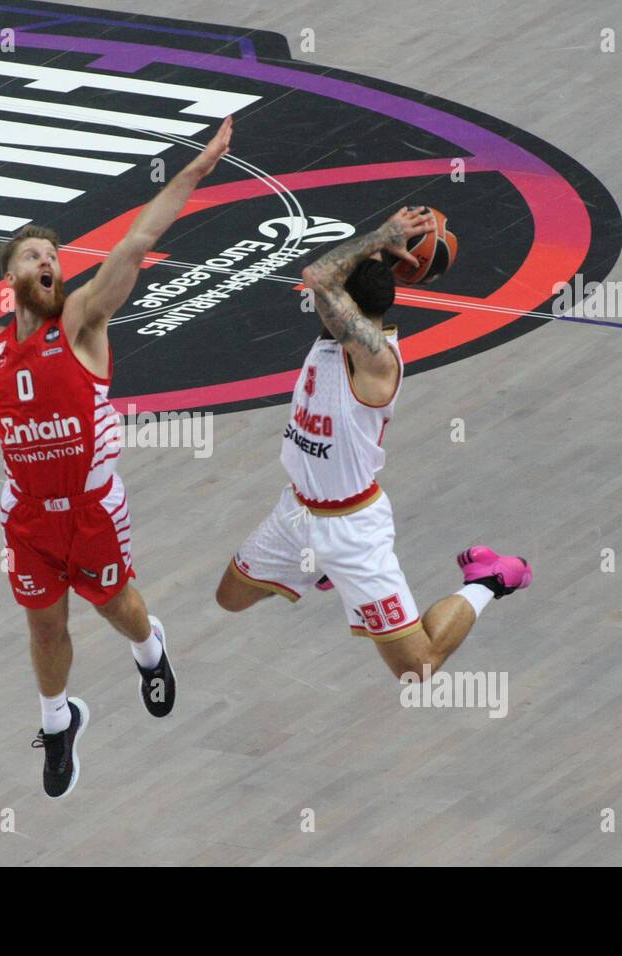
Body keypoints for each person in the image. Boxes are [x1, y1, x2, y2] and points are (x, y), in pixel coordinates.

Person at [0, 117, 234, 797]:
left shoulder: (83, 320)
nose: (50, 262)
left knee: (116, 607)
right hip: (29, 515)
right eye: (36, 255)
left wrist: (195, 171)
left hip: (93, 506)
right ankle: (58, 719)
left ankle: (150, 650)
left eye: (54, 256)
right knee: (44, 625)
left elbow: (139, 240)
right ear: (8, 279)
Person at [215, 205, 532, 681]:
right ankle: (321, 572)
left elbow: (319, 277)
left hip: (352, 529)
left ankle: (488, 578)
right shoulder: (331, 332)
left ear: (345, 310)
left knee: (418, 667)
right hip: (298, 512)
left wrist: (384, 233)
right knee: (230, 598)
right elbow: (326, 280)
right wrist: (387, 249)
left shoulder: (376, 361)